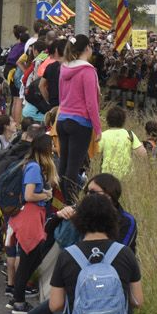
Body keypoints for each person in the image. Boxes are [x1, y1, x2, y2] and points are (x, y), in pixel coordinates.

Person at [6, 134, 59, 314]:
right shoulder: (34, 168)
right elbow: (29, 196)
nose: (53, 149)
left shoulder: (30, 165)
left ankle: (16, 296)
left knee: (33, 258)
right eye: (51, 146)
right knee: (29, 259)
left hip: (30, 216)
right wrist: (46, 195)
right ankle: (19, 301)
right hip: (30, 216)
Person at [54, 35, 102, 199]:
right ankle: (72, 201)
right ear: (87, 48)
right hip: (80, 122)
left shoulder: (64, 67)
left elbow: (61, 97)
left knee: (64, 164)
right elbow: (91, 103)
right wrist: (98, 128)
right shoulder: (88, 70)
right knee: (74, 167)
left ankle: (65, 199)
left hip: (62, 119)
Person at [91, 104, 146, 180]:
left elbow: (94, 156)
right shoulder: (130, 134)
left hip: (107, 175)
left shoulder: (103, 136)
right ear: (123, 120)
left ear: (108, 120)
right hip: (127, 175)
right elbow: (143, 154)